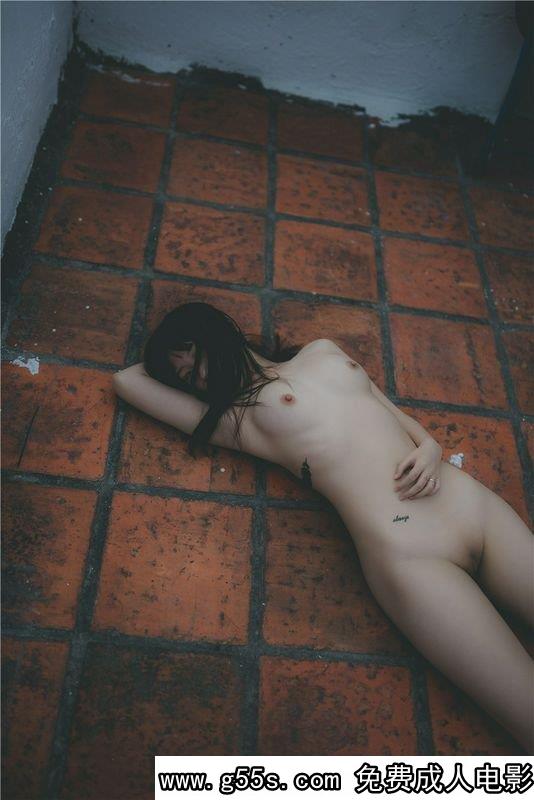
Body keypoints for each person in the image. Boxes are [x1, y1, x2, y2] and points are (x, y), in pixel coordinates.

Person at [112, 301, 534, 754]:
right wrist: (169, 359)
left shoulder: (322, 350)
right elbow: (126, 381)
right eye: (186, 377)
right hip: (413, 559)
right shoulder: (238, 419)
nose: (198, 377)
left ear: (213, 330)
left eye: (195, 357)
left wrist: (430, 445)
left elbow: (387, 410)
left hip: (471, 506)